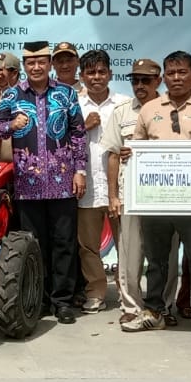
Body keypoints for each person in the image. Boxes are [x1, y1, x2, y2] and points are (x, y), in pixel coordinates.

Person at [121, 51, 191, 344]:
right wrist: (130, 153)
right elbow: (137, 149)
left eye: (182, 72)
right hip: (155, 200)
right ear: (163, 78)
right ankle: (154, 312)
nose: (176, 78)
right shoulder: (150, 109)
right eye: (171, 73)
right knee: (155, 261)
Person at [0, 41, 88, 322]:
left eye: (41, 62)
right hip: (27, 184)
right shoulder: (12, 95)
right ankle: (38, 299)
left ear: (49, 64)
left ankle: (62, 301)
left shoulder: (66, 93)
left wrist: (80, 170)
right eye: (31, 63)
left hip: (63, 182)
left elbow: (78, 133)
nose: (36, 67)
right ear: (24, 65)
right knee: (34, 244)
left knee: (64, 243)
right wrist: (11, 125)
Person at [107, 59, 162, 328]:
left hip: (166, 195)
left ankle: (163, 306)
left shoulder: (171, 110)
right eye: (135, 80)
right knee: (129, 254)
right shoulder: (122, 112)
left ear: (158, 81)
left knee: (165, 254)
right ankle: (131, 305)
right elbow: (113, 155)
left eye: (145, 80)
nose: (139, 85)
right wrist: (113, 196)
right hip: (130, 192)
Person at [75, 49, 131, 312]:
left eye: (101, 72)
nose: (96, 77)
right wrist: (82, 127)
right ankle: (96, 291)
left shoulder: (125, 104)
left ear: (110, 74)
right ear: (82, 76)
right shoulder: (74, 104)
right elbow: (60, 140)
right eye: (90, 72)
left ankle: (126, 292)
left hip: (120, 187)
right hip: (86, 186)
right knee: (88, 245)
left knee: (126, 243)